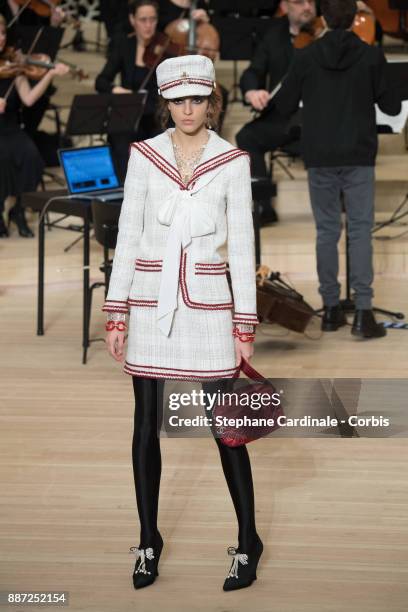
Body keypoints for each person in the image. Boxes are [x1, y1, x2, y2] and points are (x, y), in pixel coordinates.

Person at [102, 54, 263, 591]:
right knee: (144, 426)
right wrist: (116, 308)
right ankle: (148, 538)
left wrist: (246, 323)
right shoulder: (145, 157)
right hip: (150, 302)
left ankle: (248, 540)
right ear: (164, 102)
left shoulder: (233, 161)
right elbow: (128, 235)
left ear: (210, 99)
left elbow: (242, 246)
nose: (187, 110)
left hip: (210, 307)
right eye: (178, 100)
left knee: (227, 430)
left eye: (197, 99)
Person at [274, 0, 401, 338]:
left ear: (324, 17)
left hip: (320, 155)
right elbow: (390, 104)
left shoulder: (306, 56)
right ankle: (362, 314)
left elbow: (284, 103)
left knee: (327, 232)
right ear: (354, 17)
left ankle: (330, 309)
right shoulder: (371, 55)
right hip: (358, 153)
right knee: (359, 231)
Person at [236, 0, 317, 225]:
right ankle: (264, 206)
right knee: (247, 136)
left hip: (319, 117)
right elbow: (253, 71)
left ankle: (339, 201)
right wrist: (252, 91)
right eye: (299, 2)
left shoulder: (325, 34)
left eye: (311, 1)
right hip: (284, 116)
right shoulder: (273, 35)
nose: (307, 7)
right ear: (285, 5)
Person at [0, 13, 69, 238]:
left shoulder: (12, 67)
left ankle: (18, 210)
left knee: (31, 155)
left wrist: (49, 74)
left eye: (2, 33)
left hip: (10, 128)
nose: (0, 38)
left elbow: (28, 99)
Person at [95, 0, 163, 183]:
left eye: (152, 19)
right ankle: (124, 193)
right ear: (132, 20)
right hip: (130, 116)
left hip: (157, 117)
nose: (148, 25)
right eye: (143, 20)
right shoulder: (124, 45)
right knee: (119, 137)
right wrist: (117, 90)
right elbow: (101, 81)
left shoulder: (166, 48)